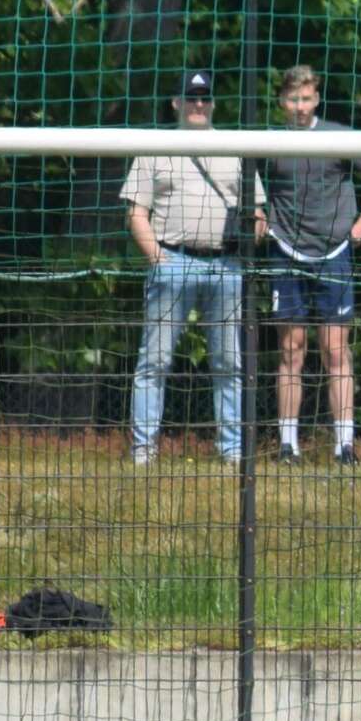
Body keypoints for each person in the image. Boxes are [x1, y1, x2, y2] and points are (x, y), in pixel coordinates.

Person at [254, 64, 361, 466]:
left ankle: (344, 445)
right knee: (290, 348)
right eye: (293, 99)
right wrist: (258, 211)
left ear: (317, 98)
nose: (300, 107)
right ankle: (287, 444)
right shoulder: (268, 141)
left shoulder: (338, 136)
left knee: (335, 350)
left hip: (334, 251)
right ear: (282, 100)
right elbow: (246, 179)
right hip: (285, 250)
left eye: (307, 98)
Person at [120, 68, 244, 466]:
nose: (199, 104)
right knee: (154, 361)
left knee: (229, 363)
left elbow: (256, 210)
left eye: (205, 97)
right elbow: (136, 213)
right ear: (177, 103)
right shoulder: (155, 146)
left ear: (213, 102)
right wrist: (158, 257)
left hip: (224, 265)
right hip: (171, 261)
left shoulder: (237, 146)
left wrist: (254, 231)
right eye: (191, 97)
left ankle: (232, 450)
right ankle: (143, 450)